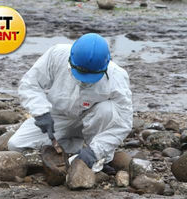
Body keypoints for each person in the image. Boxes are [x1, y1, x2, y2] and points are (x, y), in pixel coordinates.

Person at [8, 33, 132, 171]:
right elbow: (30, 84)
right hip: (58, 117)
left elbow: (124, 122)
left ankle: (97, 157)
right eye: (80, 72)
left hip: (92, 119)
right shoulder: (57, 54)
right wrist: (41, 112)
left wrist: (96, 151)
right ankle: (76, 148)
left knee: (107, 110)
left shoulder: (117, 76)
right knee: (16, 145)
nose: (84, 80)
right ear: (71, 59)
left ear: (106, 65)